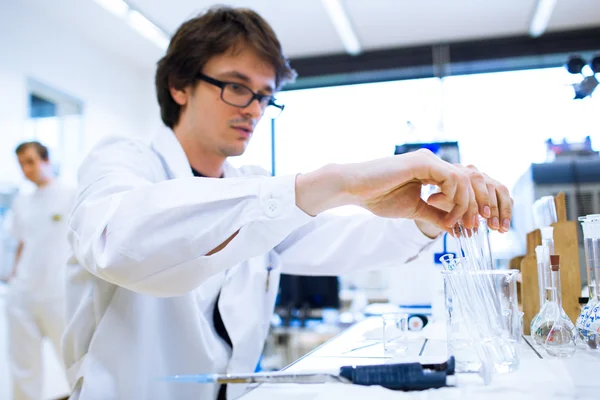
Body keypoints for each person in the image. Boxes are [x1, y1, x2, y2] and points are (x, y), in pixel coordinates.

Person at [63, 6, 513, 400]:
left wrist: (427, 214)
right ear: (180, 86)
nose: (254, 110)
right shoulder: (122, 161)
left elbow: (339, 240)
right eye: (237, 87)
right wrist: (337, 182)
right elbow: (119, 242)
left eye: (264, 96)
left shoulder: (250, 186)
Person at [3, 141, 76, 400]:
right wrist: (13, 276)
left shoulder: (70, 195)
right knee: (23, 369)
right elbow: (22, 243)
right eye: (22, 164)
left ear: (47, 160)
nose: (27, 169)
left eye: (31, 161)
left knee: (75, 362)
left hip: (59, 294)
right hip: (22, 293)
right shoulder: (22, 201)